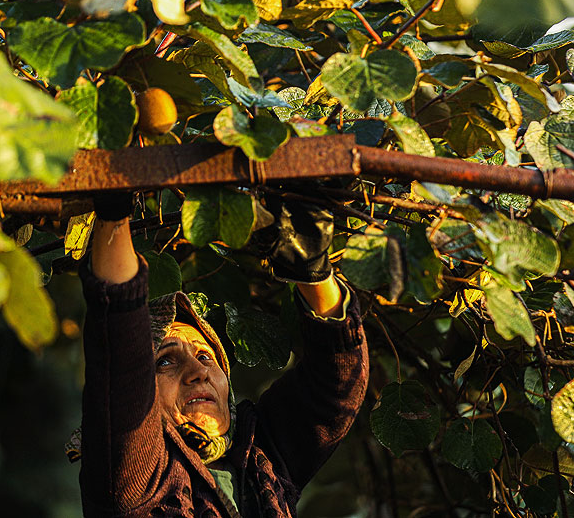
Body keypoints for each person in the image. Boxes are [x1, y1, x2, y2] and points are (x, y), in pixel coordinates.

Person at [72, 192, 369, 517]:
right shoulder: (137, 480)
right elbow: (122, 361)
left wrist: (312, 270)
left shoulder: (263, 456)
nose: (197, 372)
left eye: (205, 356)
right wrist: (114, 206)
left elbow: (335, 387)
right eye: (166, 360)